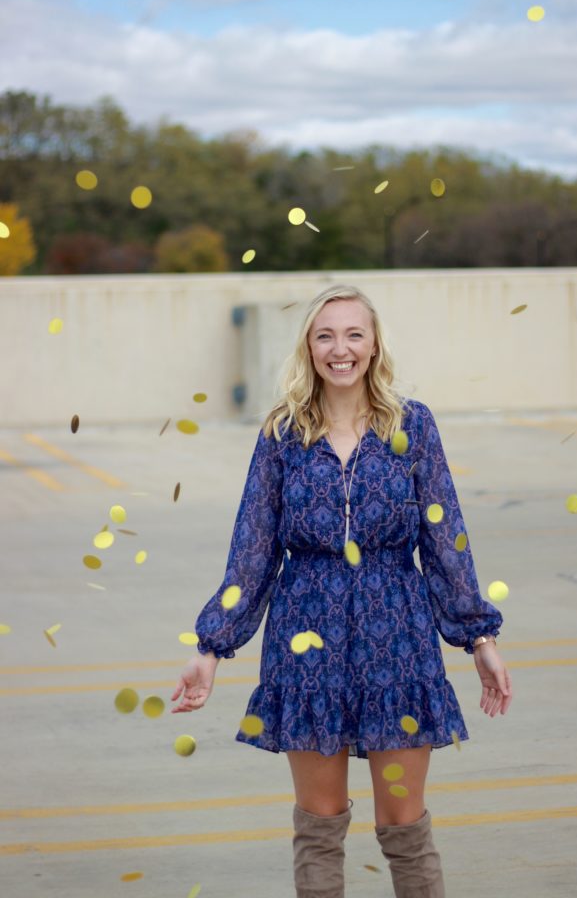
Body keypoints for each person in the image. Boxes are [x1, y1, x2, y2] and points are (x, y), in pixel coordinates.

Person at [171, 283, 512, 898]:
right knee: (320, 826)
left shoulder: (414, 426)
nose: (341, 349)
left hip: (397, 642)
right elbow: (253, 546)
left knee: (404, 824)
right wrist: (211, 649)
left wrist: (477, 635)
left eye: (354, 334)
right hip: (308, 643)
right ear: (309, 346)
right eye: (326, 335)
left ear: (375, 344)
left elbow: (445, 534)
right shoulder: (282, 433)